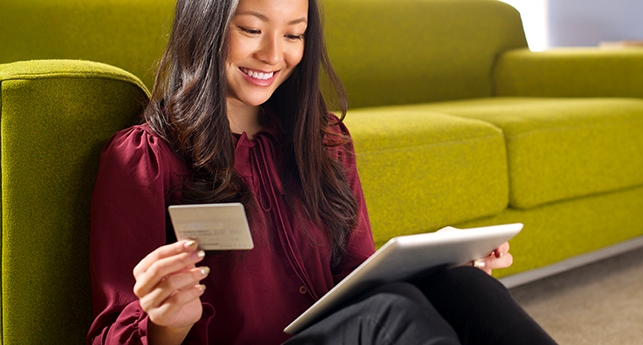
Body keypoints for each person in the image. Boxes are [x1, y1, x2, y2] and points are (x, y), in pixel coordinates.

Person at [85, 0, 557, 344]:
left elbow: (358, 275)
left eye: (294, 35)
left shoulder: (324, 141)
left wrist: (436, 261)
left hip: (332, 332)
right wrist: (166, 322)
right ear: (205, 27)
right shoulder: (145, 158)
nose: (274, 55)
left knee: (462, 285)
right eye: (251, 30)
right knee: (388, 315)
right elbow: (112, 332)